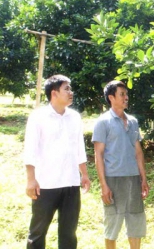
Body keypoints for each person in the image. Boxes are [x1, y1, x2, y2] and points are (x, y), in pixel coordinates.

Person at [24, 74, 91, 249]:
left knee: (69, 233)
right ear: (54, 93)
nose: (71, 92)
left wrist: (84, 174)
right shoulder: (38, 117)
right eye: (66, 89)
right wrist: (31, 179)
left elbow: (79, 148)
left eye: (70, 88)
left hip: (70, 183)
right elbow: (30, 149)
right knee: (38, 232)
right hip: (45, 184)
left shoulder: (75, 117)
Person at [92, 80, 149, 249]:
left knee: (136, 221)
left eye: (126, 94)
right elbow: (98, 155)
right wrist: (104, 185)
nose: (126, 97)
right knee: (112, 224)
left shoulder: (133, 121)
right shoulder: (103, 122)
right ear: (111, 97)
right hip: (113, 179)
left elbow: (138, 152)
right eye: (122, 94)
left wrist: (143, 179)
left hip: (133, 179)